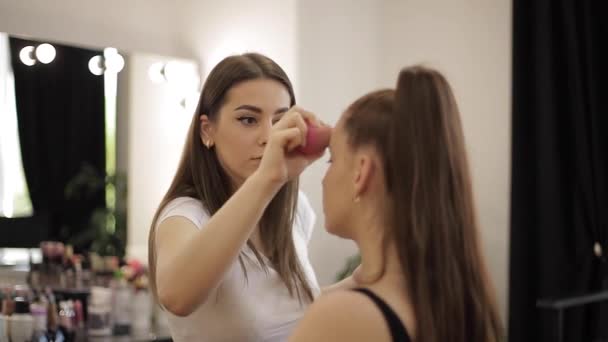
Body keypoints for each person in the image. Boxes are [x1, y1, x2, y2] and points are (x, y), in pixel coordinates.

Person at [289, 66, 504, 342]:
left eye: (332, 159)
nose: (323, 179)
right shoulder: (454, 300)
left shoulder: (344, 318)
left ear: (360, 172)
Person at [148, 53, 336, 341]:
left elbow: (290, 310)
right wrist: (268, 178)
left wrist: (369, 279)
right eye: (248, 119)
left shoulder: (294, 210)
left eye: (279, 120)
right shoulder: (185, 215)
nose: (268, 136)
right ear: (207, 130)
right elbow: (176, 297)